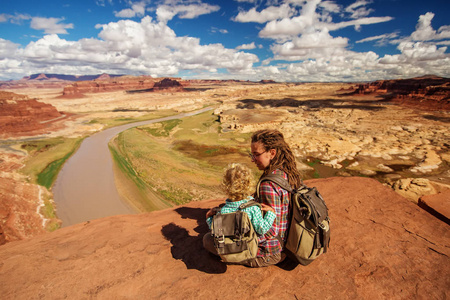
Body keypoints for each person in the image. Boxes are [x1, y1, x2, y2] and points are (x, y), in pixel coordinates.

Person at [203, 163, 276, 267]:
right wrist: (271, 214)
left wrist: (208, 217)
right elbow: (262, 229)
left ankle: (231, 257)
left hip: (228, 249)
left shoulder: (223, 211)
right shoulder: (253, 208)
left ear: (226, 187)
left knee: (206, 239)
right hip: (248, 249)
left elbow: (214, 229)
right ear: (249, 184)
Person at [248, 129, 302, 267]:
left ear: (272, 153)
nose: (253, 160)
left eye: (256, 155)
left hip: (270, 252)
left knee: (209, 241)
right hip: (287, 243)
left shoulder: (268, 184)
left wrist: (241, 239)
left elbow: (271, 231)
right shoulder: (286, 172)